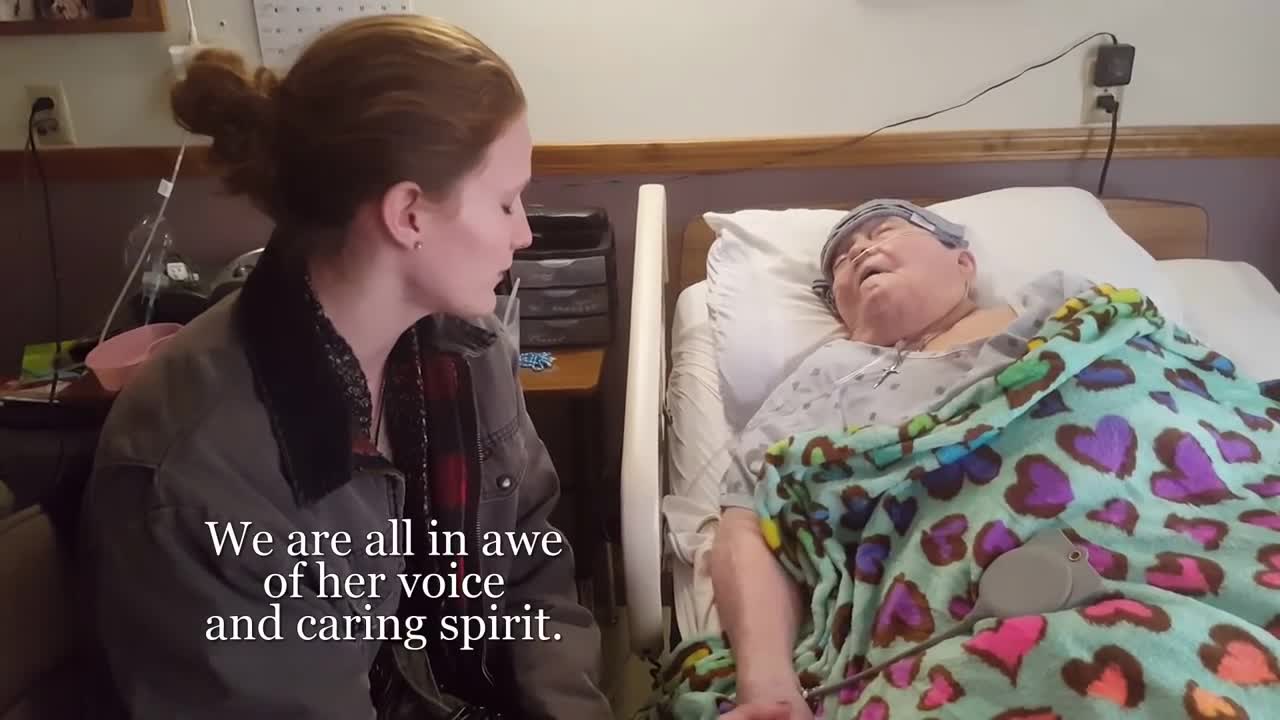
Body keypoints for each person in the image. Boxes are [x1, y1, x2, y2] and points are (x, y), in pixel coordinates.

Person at [79, 15, 612, 720]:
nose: (524, 232)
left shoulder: (467, 354)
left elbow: (533, 570)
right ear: (409, 214)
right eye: (506, 201)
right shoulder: (199, 478)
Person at [709, 200, 1093, 719]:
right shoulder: (826, 374)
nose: (861, 249)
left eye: (884, 230)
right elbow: (750, 514)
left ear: (963, 261)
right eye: (841, 261)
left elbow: (1176, 391)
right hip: (943, 617)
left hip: (1133, 543)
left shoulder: (1060, 307)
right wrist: (770, 690)